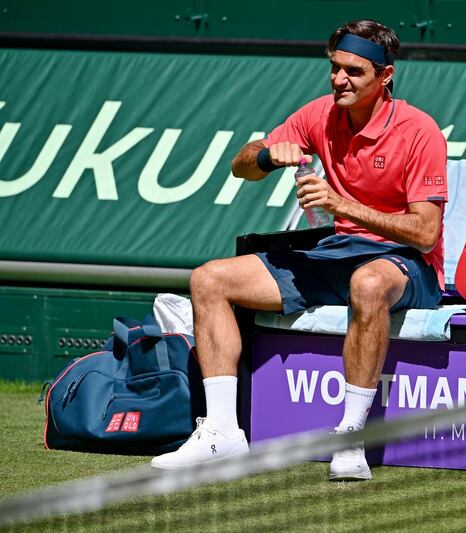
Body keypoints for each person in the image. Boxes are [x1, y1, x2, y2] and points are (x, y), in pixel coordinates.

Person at [151, 19, 448, 481]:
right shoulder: (318, 113)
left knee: (367, 282)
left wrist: (341, 204)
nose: (339, 80)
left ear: (385, 77)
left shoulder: (419, 130)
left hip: (406, 265)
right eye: (334, 68)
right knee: (208, 279)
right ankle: (222, 434)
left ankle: (351, 438)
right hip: (335, 254)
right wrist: (268, 156)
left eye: (354, 71)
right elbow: (240, 165)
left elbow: (426, 233)